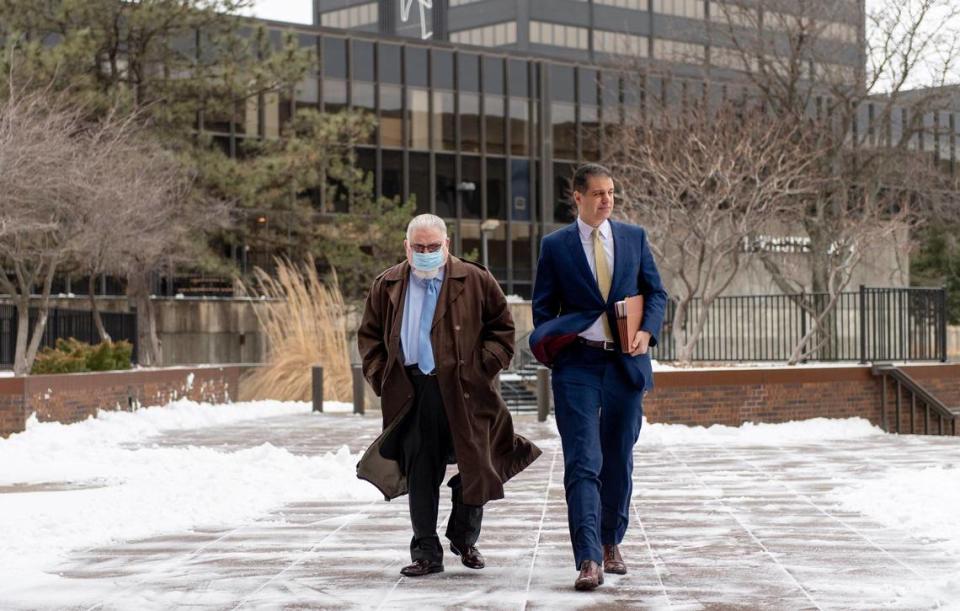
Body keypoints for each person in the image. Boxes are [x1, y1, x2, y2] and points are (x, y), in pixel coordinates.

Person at [356, 213, 542, 577]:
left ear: (447, 245)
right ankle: (426, 551)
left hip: (465, 389)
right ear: (406, 247)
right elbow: (370, 338)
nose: (426, 253)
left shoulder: (474, 278)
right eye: (419, 247)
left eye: (433, 247)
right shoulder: (388, 283)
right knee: (421, 472)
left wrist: (480, 368)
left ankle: (464, 537)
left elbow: (503, 330)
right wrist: (382, 377)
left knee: (477, 464)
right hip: (412, 391)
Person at [529, 163, 667, 591]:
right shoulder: (556, 246)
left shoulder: (633, 237)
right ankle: (588, 557)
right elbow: (542, 308)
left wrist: (648, 332)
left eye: (611, 193)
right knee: (583, 461)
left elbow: (656, 292)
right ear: (578, 197)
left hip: (625, 363)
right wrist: (561, 349)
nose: (607, 200)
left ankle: (611, 542)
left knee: (618, 459)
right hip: (578, 367)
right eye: (598, 194)